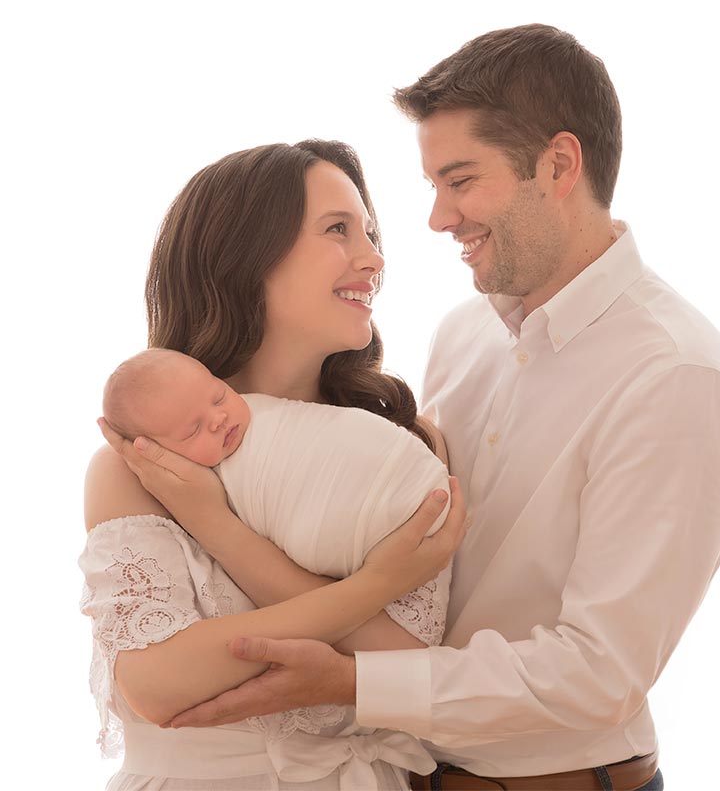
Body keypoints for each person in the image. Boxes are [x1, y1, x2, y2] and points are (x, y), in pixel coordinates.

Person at [154, 24, 720, 791]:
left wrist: (349, 683)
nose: (438, 218)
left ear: (559, 165)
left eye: (461, 180)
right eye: (433, 186)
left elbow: (600, 673)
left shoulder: (677, 375)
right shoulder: (463, 333)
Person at [81, 139, 466, 791]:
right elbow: (157, 684)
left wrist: (220, 529)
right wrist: (374, 587)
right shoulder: (141, 465)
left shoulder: (405, 446)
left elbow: (408, 662)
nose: (373, 259)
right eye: (338, 230)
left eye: (370, 233)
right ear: (243, 256)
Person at [102, 347, 451, 580]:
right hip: (346, 534)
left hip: (411, 480)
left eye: (218, 397)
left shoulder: (270, 410)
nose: (218, 419)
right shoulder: (185, 486)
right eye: (193, 430)